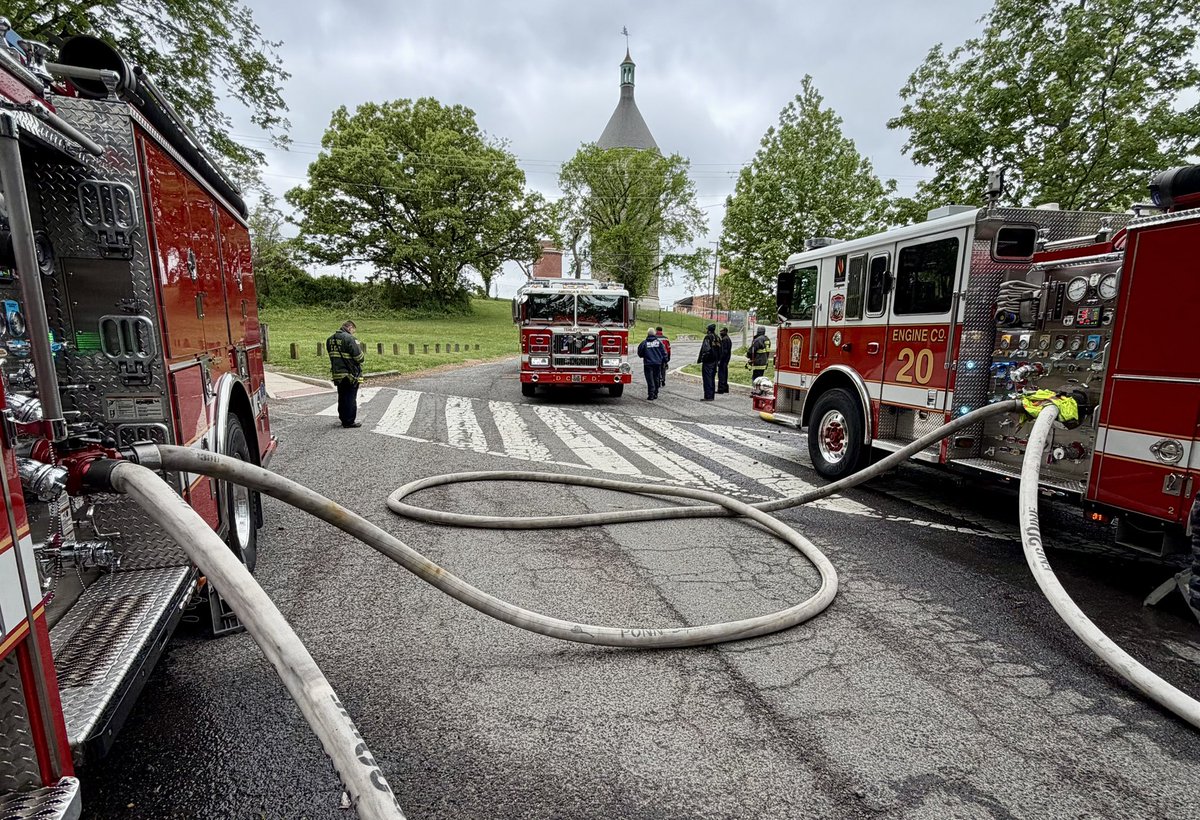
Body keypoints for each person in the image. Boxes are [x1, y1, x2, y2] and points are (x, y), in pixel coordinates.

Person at [326, 320, 364, 428]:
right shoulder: (350, 339)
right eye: (353, 330)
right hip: (350, 374)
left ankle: (343, 418)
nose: (353, 333)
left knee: (342, 397)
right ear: (350, 327)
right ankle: (349, 421)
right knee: (350, 397)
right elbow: (359, 358)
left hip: (337, 373)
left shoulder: (330, 339)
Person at [636, 328, 666, 400]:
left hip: (648, 363)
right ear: (654, 334)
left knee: (650, 379)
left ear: (648, 334)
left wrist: (644, 356)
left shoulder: (644, 343)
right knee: (656, 378)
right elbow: (664, 353)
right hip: (657, 363)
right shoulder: (659, 343)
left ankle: (651, 394)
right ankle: (656, 393)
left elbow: (640, 353)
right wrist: (664, 361)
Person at [697, 323, 720, 400]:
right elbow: (720, 349)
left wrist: (703, 358)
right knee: (712, 378)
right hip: (715, 361)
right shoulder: (717, 338)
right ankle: (711, 395)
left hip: (708, 361)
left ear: (709, 330)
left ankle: (708, 396)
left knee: (707, 378)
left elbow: (706, 349)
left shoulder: (708, 337)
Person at [716, 327, 733, 393]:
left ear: (725, 331)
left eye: (722, 331)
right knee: (725, 373)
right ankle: (725, 387)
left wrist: (720, 360)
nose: (720, 333)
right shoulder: (727, 339)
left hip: (723, 360)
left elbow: (724, 351)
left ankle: (721, 388)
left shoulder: (725, 339)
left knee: (721, 374)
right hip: (726, 359)